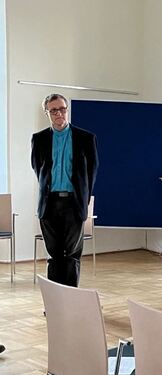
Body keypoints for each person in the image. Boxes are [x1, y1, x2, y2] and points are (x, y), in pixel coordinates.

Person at [31, 94, 99, 287]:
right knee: (54, 256)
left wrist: (83, 200)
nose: (59, 113)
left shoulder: (86, 138)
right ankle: (55, 300)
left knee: (71, 255)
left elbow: (91, 171)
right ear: (47, 113)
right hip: (49, 204)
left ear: (67, 110)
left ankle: (70, 299)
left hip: (73, 203)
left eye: (62, 109)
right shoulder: (39, 139)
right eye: (53, 110)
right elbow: (37, 168)